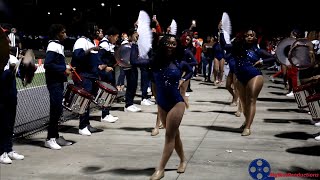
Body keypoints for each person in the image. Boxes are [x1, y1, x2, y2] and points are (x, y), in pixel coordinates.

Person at [150, 34, 193, 180]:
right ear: (162, 44)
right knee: (175, 135)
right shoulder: (155, 62)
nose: (171, 46)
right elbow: (136, 62)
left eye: (174, 44)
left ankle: (160, 169)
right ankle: (183, 160)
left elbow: (191, 70)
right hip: (162, 103)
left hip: (176, 102)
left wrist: (183, 79)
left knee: (169, 136)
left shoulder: (180, 62)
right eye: (168, 43)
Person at [231, 29, 275, 136]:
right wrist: (221, 32)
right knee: (243, 102)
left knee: (251, 100)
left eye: (251, 35)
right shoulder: (237, 48)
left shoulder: (258, 50)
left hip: (254, 75)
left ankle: (248, 127)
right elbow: (225, 45)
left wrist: (262, 61)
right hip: (240, 77)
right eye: (247, 35)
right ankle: (247, 121)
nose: (249, 37)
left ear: (255, 38)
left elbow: (274, 57)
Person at [43, 24, 73, 150]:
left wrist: (66, 68)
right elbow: (47, 65)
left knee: (58, 110)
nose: (65, 34)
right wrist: (64, 68)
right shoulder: (53, 45)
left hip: (58, 81)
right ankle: (50, 139)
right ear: (57, 34)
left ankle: (55, 136)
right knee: (55, 110)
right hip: (54, 82)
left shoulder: (57, 45)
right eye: (63, 32)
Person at [70, 24, 103, 136]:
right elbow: (77, 56)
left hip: (90, 76)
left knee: (87, 101)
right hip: (83, 76)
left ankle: (86, 124)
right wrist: (90, 50)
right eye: (95, 31)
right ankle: (82, 126)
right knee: (84, 101)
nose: (97, 33)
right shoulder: (81, 41)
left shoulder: (90, 42)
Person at [0, 28, 25, 164]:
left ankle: (8, 149)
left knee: (9, 124)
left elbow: (23, 78)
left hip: (11, 96)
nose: (9, 40)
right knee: (2, 124)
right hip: (1, 97)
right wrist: (8, 71)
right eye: (5, 37)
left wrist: (26, 68)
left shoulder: (12, 57)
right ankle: (1, 152)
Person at [98, 26, 120, 123]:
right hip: (105, 73)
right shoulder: (104, 44)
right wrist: (105, 67)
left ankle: (106, 112)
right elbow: (99, 59)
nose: (117, 39)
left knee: (109, 92)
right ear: (111, 36)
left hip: (109, 71)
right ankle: (104, 114)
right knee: (106, 92)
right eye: (116, 37)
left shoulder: (109, 44)